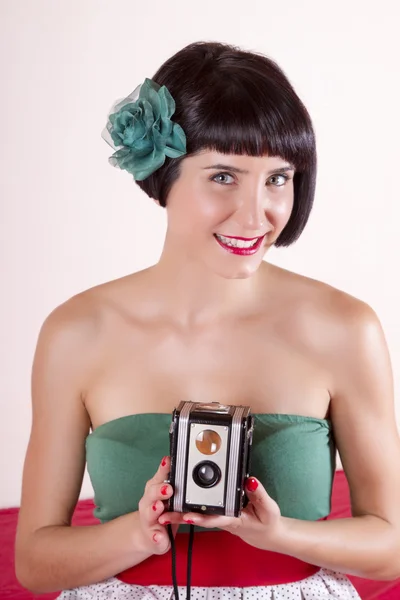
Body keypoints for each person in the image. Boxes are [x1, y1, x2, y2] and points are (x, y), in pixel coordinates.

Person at [15, 40, 400, 600]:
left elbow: (390, 550)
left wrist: (280, 534)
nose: (256, 214)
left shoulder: (345, 328)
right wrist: (138, 533)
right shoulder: (77, 332)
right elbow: (34, 561)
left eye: (278, 178)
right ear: (161, 175)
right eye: (223, 176)